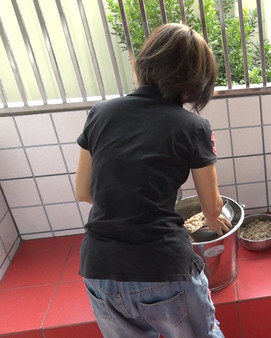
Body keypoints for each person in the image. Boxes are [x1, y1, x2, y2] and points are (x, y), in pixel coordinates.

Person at [74, 23, 231, 337]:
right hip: (163, 267)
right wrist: (217, 222)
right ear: (194, 84)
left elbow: (83, 190)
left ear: (145, 64)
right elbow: (211, 206)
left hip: (100, 268)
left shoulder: (100, 113)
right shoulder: (193, 126)